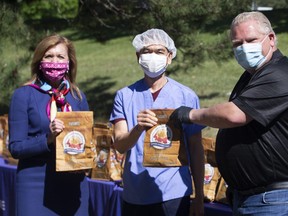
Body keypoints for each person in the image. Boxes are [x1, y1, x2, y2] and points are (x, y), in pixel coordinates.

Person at [170, 11, 288, 216]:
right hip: (250, 197)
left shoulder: (279, 73)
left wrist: (190, 115)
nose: (243, 48)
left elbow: (234, 114)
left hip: (272, 200)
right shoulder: (252, 75)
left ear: (271, 38)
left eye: (250, 40)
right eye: (237, 44)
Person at [109, 28, 205, 216]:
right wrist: (138, 129)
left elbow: (195, 147)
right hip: (135, 192)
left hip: (174, 193)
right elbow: (120, 145)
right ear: (138, 56)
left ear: (169, 57)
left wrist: (199, 195)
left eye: (159, 51)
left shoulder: (186, 96)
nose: (153, 56)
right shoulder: (125, 96)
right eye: (147, 51)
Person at [8, 34, 90, 215]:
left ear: (69, 62)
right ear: (39, 61)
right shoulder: (23, 95)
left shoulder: (78, 96)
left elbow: (86, 141)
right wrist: (48, 139)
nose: (55, 61)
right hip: (35, 183)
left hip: (73, 184)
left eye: (60, 57)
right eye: (48, 56)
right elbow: (16, 147)